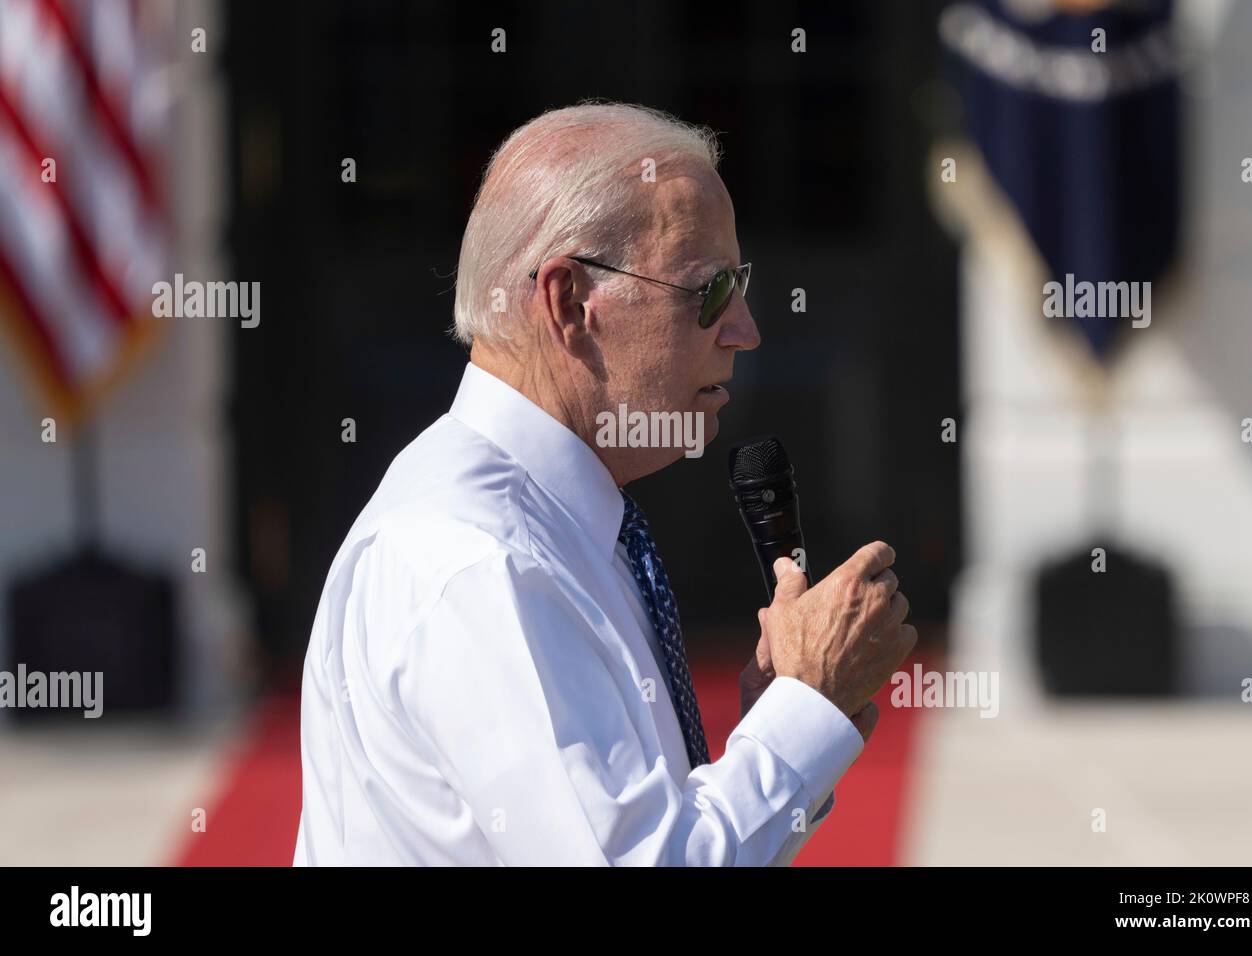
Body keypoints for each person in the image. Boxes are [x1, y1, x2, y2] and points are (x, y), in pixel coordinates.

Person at [294, 101, 917, 866]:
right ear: (568, 303)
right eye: (708, 290)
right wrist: (806, 708)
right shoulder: (480, 558)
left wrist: (782, 720)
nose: (745, 328)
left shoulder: (550, 520)